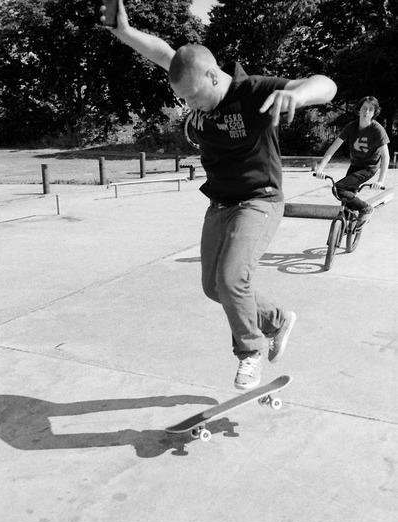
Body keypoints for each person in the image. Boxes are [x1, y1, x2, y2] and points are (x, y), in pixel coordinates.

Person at [100, 0, 337, 390]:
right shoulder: (192, 74)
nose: (190, 106)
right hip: (221, 202)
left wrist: (301, 94)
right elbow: (162, 52)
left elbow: (326, 85)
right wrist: (123, 32)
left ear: (213, 76)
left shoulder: (253, 92)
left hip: (259, 200)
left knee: (231, 281)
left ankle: (250, 353)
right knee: (213, 288)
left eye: (194, 97)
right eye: (184, 100)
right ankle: (277, 319)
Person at [316, 96, 390, 229]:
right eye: (364, 108)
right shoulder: (351, 127)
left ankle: (366, 209)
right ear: (359, 110)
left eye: (370, 110)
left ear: (374, 113)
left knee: (339, 187)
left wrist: (380, 181)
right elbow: (333, 148)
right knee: (344, 197)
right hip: (355, 165)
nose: (366, 112)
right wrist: (320, 169)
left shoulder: (377, 130)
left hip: (369, 167)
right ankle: (346, 228)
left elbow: (386, 157)